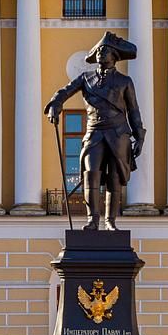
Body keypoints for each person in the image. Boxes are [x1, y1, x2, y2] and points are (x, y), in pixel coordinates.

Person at [44, 31, 146, 231]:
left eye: (105, 50)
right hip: (95, 132)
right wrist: (56, 103)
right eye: (99, 50)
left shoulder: (124, 81)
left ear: (114, 56)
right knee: (91, 174)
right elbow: (66, 91)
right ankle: (93, 219)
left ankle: (110, 221)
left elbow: (134, 110)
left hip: (118, 133)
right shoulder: (86, 78)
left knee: (114, 177)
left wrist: (139, 136)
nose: (100, 53)